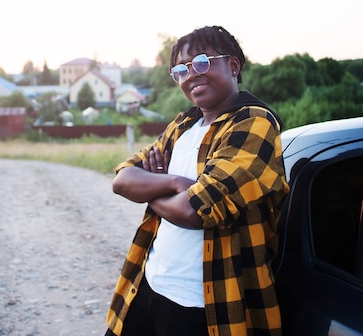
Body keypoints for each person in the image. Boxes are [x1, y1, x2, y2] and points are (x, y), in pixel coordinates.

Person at [104, 25, 290, 336]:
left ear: (233, 66)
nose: (191, 75)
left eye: (202, 62)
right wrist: (177, 184)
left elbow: (195, 211)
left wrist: (154, 188)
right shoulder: (183, 125)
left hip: (206, 306)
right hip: (149, 283)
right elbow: (123, 179)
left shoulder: (254, 123)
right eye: (180, 70)